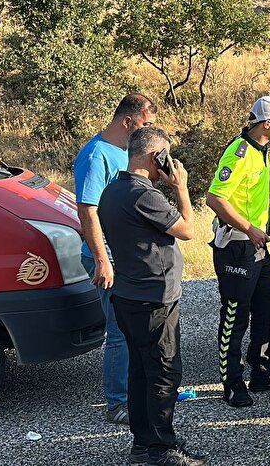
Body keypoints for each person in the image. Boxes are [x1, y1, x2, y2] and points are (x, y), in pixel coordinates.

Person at [98, 127, 206, 466]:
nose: (170, 164)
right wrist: (182, 188)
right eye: (166, 156)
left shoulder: (112, 191)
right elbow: (188, 229)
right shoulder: (144, 195)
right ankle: (160, 447)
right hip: (153, 299)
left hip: (128, 296)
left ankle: (143, 445)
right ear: (155, 157)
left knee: (140, 373)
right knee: (163, 372)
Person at [205, 96, 270, 408]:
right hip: (236, 247)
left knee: (266, 306)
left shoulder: (262, 149)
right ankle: (231, 383)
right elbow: (215, 199)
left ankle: (261, 370)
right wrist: (248, 227)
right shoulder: (240, 152)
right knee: (235, 316)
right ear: (267, 123)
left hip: (257, 246)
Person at [73, 93, 157, 425]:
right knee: (120, 329)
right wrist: (101, 259)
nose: (149, 128)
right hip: (107, 257)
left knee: (135, 326)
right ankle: (118, 403)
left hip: (127, 255)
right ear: (128, 121)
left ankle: (135, 390)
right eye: (146, 123)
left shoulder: (125, 152)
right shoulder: (96, 156)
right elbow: (87, 210)